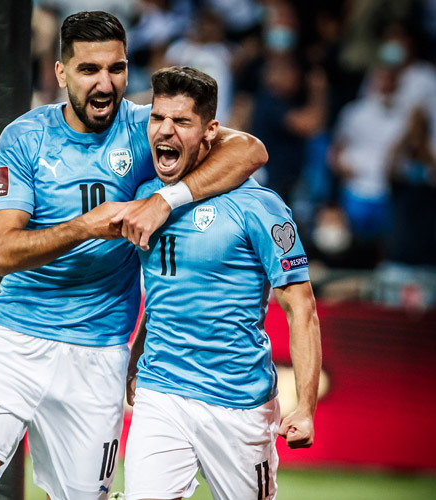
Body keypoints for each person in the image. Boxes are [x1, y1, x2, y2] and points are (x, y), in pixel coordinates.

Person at [0, 11, 267, 500]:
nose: (105, 83)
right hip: (12, 339)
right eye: (89, 70)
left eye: (117, 68)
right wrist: (86, 226)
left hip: (98, 352)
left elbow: (251, 151)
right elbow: (2, 251)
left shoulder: (144, 127)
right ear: (62, 73)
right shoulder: (25, 138)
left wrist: (162, 201)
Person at [124, 66, 321, 500]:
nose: (165, 131)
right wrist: (137, 358)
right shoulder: (144, 199)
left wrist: (305, 408)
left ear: (211, 131)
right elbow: (160, 294)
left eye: (182, 122)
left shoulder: (259, 207)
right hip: (163, 392)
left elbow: (301, 308)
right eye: (158, 119)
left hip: (238, 402)